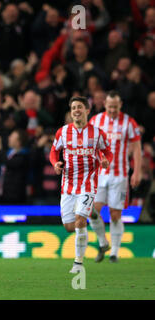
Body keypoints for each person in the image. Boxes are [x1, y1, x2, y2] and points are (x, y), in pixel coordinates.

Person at [50, 96, 113, 274]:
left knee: (80, 221)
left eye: (79, 107)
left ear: (87, 110)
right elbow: (54, 152)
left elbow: (107, 152)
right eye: (73, 108)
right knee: (69, 226)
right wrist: (55, 164)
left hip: (88, 183)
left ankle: (78, 263)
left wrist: (106, 160)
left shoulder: (97, 133)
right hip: (68, 185)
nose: (76, 110)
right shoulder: (62, 132)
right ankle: (90, 211)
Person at [88, 91, 142, 263]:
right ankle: (103, 243)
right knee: (92, 210)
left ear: (120, 105)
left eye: (115, 106)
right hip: (99, 175)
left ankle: (115, 253)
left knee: (115, 214)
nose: (112, 110)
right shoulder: (95, 121)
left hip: (119, 175)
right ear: (105, 104)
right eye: (109, 106)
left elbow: (137, 148)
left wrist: (137, 171)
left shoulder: (129, 122)